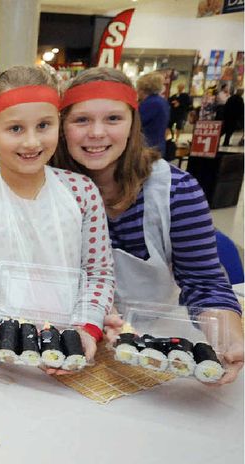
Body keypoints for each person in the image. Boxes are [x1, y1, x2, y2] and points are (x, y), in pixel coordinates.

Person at [52, 67, 243, 385]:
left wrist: (228, 337)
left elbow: (204, 283)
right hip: (69, 345)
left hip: (154, 348)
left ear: (132, 123)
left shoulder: (176, 191)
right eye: (81, 120)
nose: (97, 133)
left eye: (113, 119)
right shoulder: (48, 189)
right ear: (62, 128)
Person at [0, 66, 115, 370]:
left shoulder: (82, 193)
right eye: (15, 129)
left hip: (74, 352)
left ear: (58, 126)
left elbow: (98, 272)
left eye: (44, 125)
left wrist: (86, 329)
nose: (31, 142)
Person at [136, 72, 170, 157]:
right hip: (157, 144)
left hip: (147, 146)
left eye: (138, 88)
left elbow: (136, 123)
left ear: (143, 88)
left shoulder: (150, 103)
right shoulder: (161, 101)